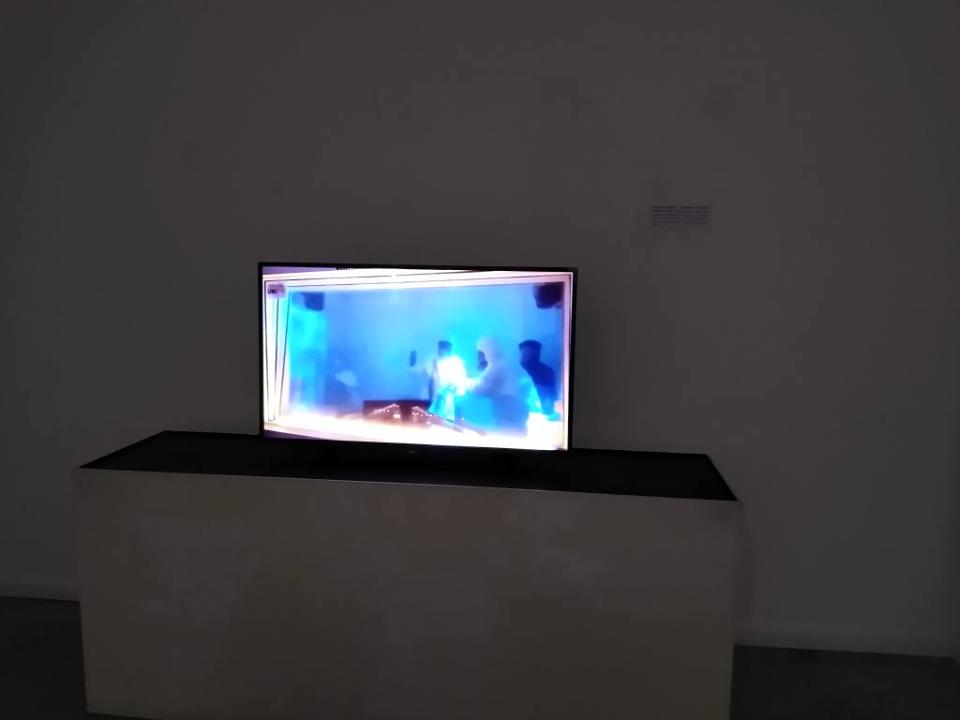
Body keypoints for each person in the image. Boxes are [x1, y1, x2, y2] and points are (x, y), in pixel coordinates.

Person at [467, 337, 539, 433]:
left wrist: (467, 385)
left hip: (508, 416)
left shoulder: (496, 366)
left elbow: (479, 390)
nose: (481, 357)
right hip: (514, 415)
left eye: (482, 352)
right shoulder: (506, 364)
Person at [427, 340, 468, 421]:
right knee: (438, 408)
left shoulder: (455, 361)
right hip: (439, 389)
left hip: (450, 390)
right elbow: (433, 377)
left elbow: (460, 376)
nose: (440, 351)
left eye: (442, 349)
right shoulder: (436, 361)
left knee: (448, 408)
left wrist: (455, 386)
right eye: (440, 349)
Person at [518, 339, 558, 418]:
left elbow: (551, 396)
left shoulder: (547, 371)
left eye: (527, 354)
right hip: (518, 413)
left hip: (540, 414)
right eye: (523, 354)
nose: (524, 355)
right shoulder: (515, 370)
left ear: (536, 353)